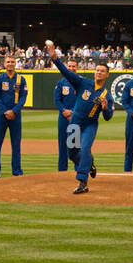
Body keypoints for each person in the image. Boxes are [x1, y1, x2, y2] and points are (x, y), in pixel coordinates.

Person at [46, 41, 113, 195]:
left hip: (89, 125)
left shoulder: (106, 96)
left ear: (107, 74)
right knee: (72, 152)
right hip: (75, 123)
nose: (99, 73)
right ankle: (89, 165)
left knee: (85, 148)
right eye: (97, 70)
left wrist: (105, 108)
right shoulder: (83, 83)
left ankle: (83, 181)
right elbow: (66, 72)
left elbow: (108, 117)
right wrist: (55, 58)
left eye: (102, 71)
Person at [0, 55, 27, 179]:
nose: (10, 64)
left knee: (16, 145)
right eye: (8, 62)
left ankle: (17, 171)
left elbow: (23, 98)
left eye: (12, 62)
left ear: (15, 64)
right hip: (1, 116)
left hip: (16, 116)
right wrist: (5, 111)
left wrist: (14, 111)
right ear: (4, 64)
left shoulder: (21, 79)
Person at [53, 58, 80, 173]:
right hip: (63, 117)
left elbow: (82, 100)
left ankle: (78, 170)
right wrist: (64, 111)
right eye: (69, 66)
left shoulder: (80, 82)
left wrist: (72, 112)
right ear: (66, 67)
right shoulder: (61, 82)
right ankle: (62, 171)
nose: (71, 68)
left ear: (77, 68)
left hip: (76, 117)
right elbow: (57, 99)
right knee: (62, 145)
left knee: (76, 146)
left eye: (74, 66)